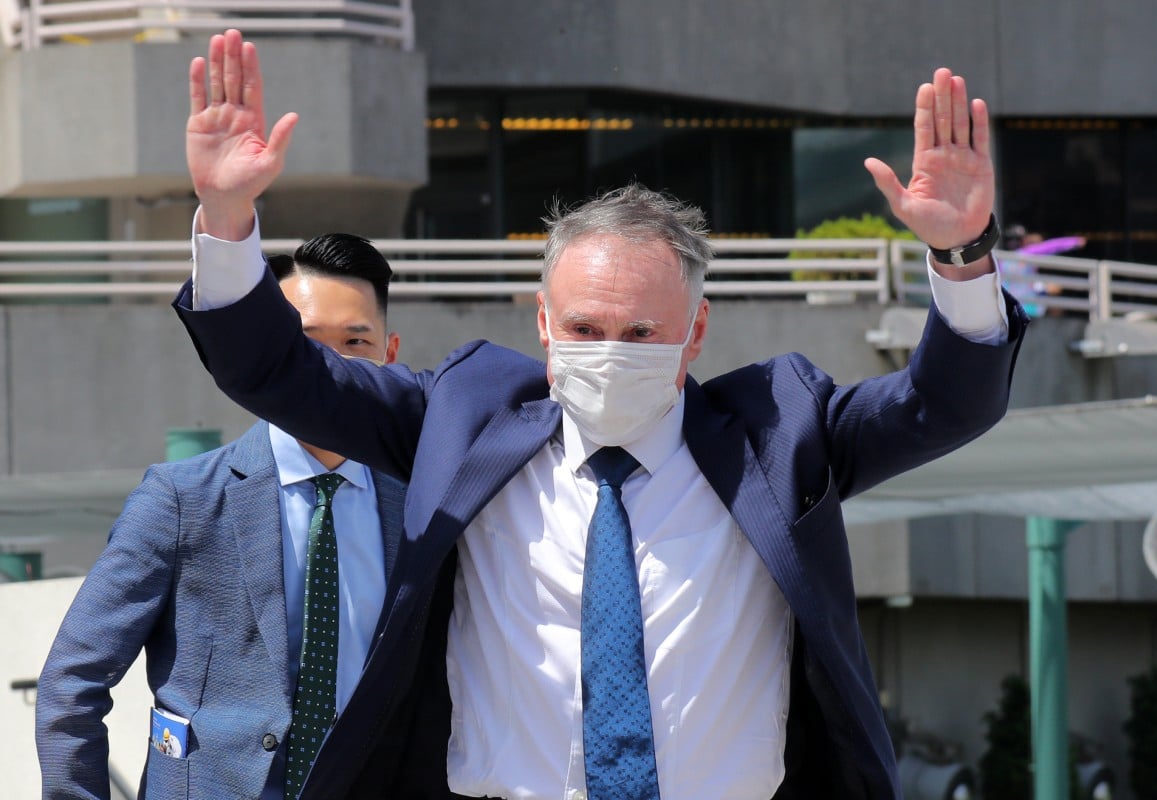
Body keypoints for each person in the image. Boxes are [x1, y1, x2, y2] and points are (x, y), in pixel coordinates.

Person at [174, 30, 1027, 800]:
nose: (609, 349)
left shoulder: (782, 433)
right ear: (542, 323)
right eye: (584, 327)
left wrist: (960, 256)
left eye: (641, 331)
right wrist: (226, 217)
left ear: (696, 331)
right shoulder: (460, 420)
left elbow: (944, 403)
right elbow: (275, 369)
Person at [35, 231, 407, 799]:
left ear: (391, 354)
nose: (330, 364)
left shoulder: (420, 500)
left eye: (356, 340)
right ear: (272, 351)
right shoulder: (182, 498)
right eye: (306, 341)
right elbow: (73, 682)